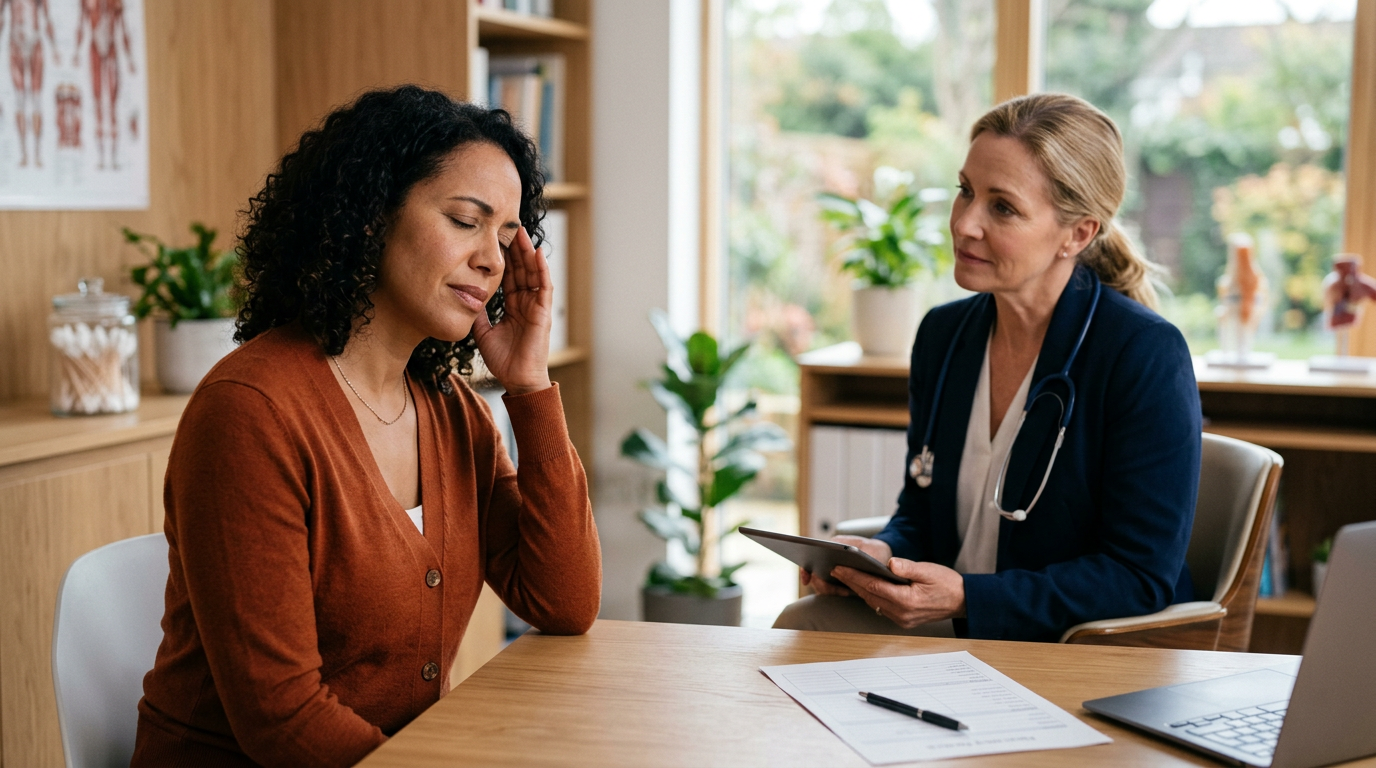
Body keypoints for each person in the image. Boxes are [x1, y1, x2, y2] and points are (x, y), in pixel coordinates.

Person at [132, 86, 602, 767]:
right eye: (466, 222)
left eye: (505, 239)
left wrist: (529, 385)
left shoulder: (453, 410)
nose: (494, 261)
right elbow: (283, 720)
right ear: (369, 214)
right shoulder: (249, 412)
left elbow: (563, 601)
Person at [775, 93, 1201, 642]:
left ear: (1077, 234)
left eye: (1002, 207)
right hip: (961, 628)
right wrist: (883, 553)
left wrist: (970, 598)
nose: (965, 224)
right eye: (966, 192)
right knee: (802, 627)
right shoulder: (944, 336)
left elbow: (1140, 577)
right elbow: (922, 514)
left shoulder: (1143, 354)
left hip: (1071, 645)